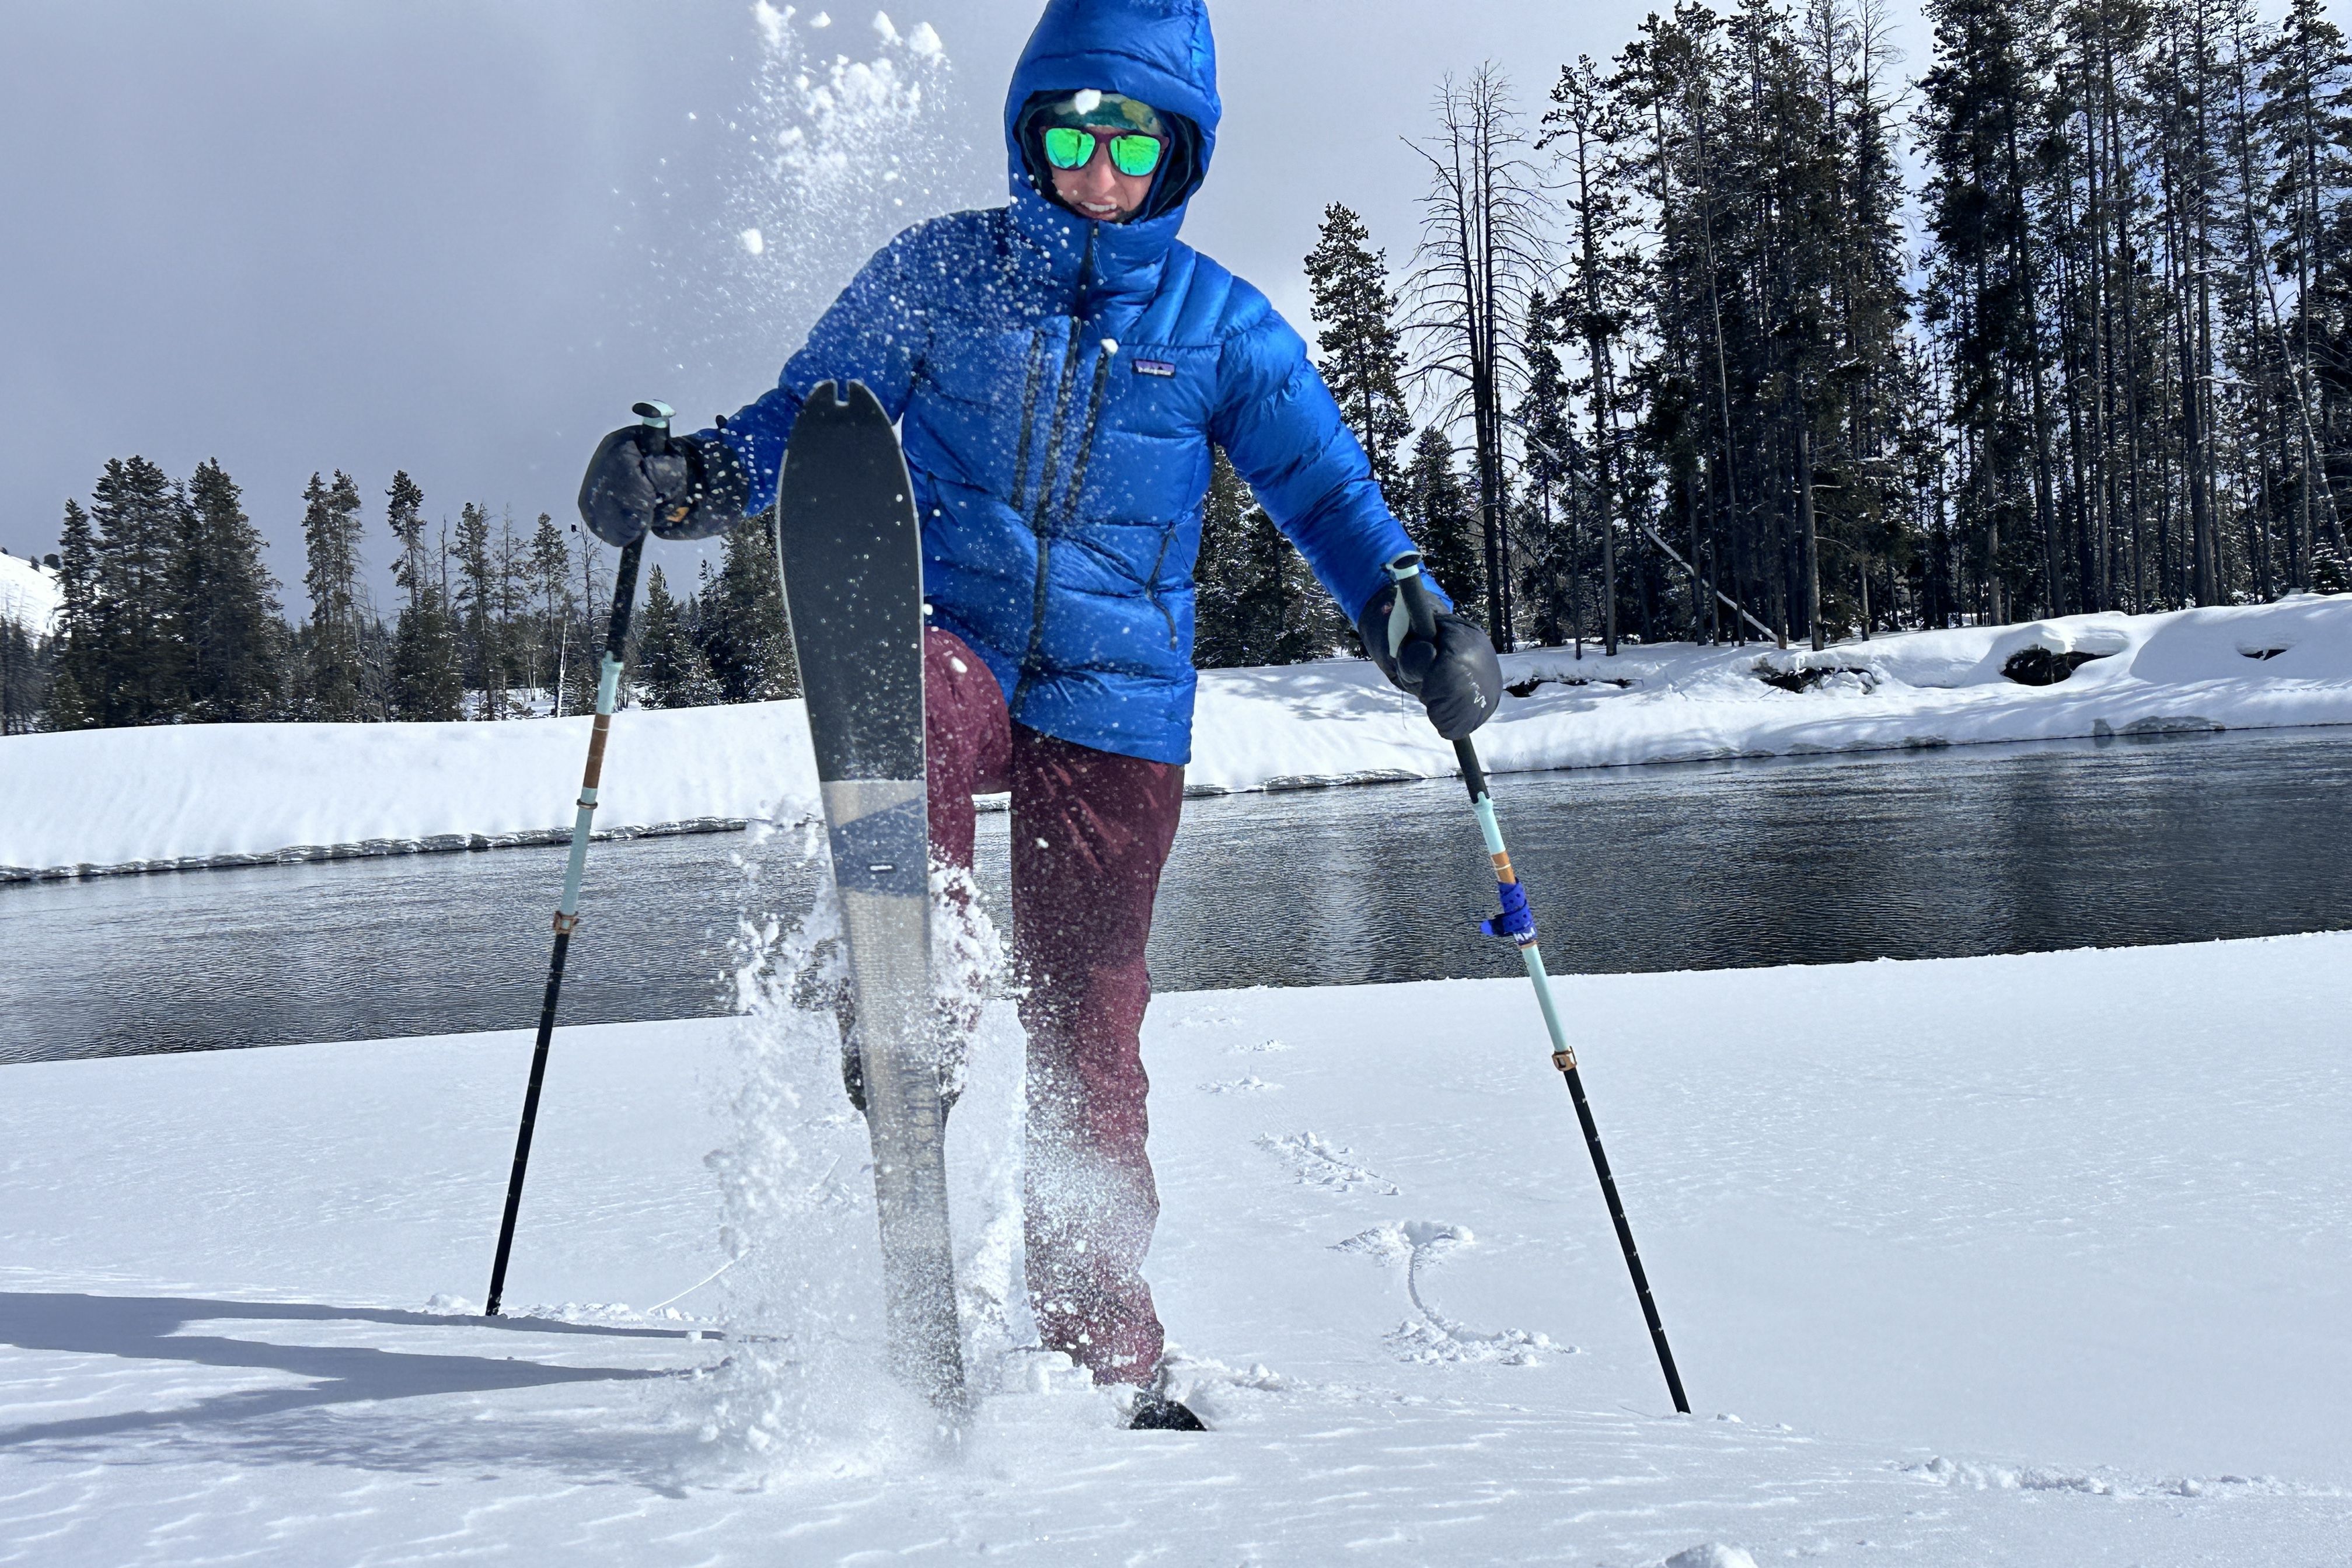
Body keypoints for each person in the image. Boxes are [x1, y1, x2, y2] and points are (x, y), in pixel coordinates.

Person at [578, 0, 1500, 1430]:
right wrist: (688, 478)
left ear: (1179, 149)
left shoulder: (1219, 327)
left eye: (1128, 138)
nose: (1096, 167)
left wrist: (1410, 615)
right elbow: (802, 422)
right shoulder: (939, 275)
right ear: (1029, 138)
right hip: (957, 641)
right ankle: (914, 988)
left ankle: (1101, 1345)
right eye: (1068, 136)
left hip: (1119, 697)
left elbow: (1327, 497)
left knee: (1091, 1025)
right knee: (911, 704)